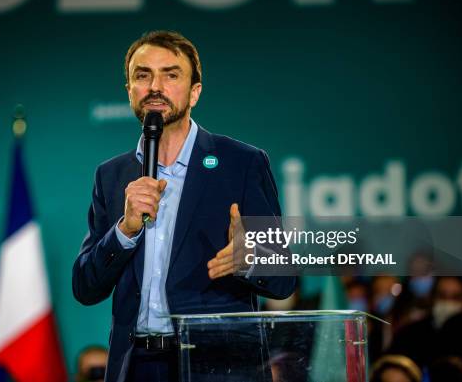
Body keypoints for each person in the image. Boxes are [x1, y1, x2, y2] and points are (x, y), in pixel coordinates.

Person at [72, 30, 296, 382]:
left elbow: (283, 278)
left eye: (170, 74)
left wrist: (251, 260)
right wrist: (125, 230)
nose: (155, 86)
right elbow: (85, 287)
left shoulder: (241, 164)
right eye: (142, 75)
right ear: (129, 90)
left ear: (195, 92)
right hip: (137, 366)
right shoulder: (111, 176)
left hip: (217, 366)